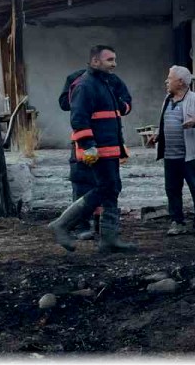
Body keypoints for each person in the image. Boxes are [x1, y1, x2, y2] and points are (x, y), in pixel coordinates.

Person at [47, 45, 137, 254]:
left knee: (112, 188)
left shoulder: (105, 83)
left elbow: (117, 112)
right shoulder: (85, 85)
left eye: (114, 59)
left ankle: (109, 239)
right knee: (105, 188)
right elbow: (79, 118)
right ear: (96, 61)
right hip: (98, 150)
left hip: (109, 148)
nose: (114, 64)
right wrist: (88, 146)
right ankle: (62, 225)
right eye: (110, 60)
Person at [58, 66, 132, 241]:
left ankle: (103, 227)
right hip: (84, 142)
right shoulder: (77, 79)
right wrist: (84, 98)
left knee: (109, 185)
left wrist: (112, 101)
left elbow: (127, 105)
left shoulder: (113, 80)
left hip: (108, 143)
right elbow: (64, 104)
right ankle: (82, 226)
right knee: (82, 182)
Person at [148, 65, 195, 237]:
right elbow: (165, 122)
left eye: (169, 78)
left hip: (191, 156)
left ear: (180, 82)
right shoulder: (167, 99)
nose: (166, 81)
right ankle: (177, 222)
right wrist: (158, 134)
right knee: (172, 190)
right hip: (170, 155)